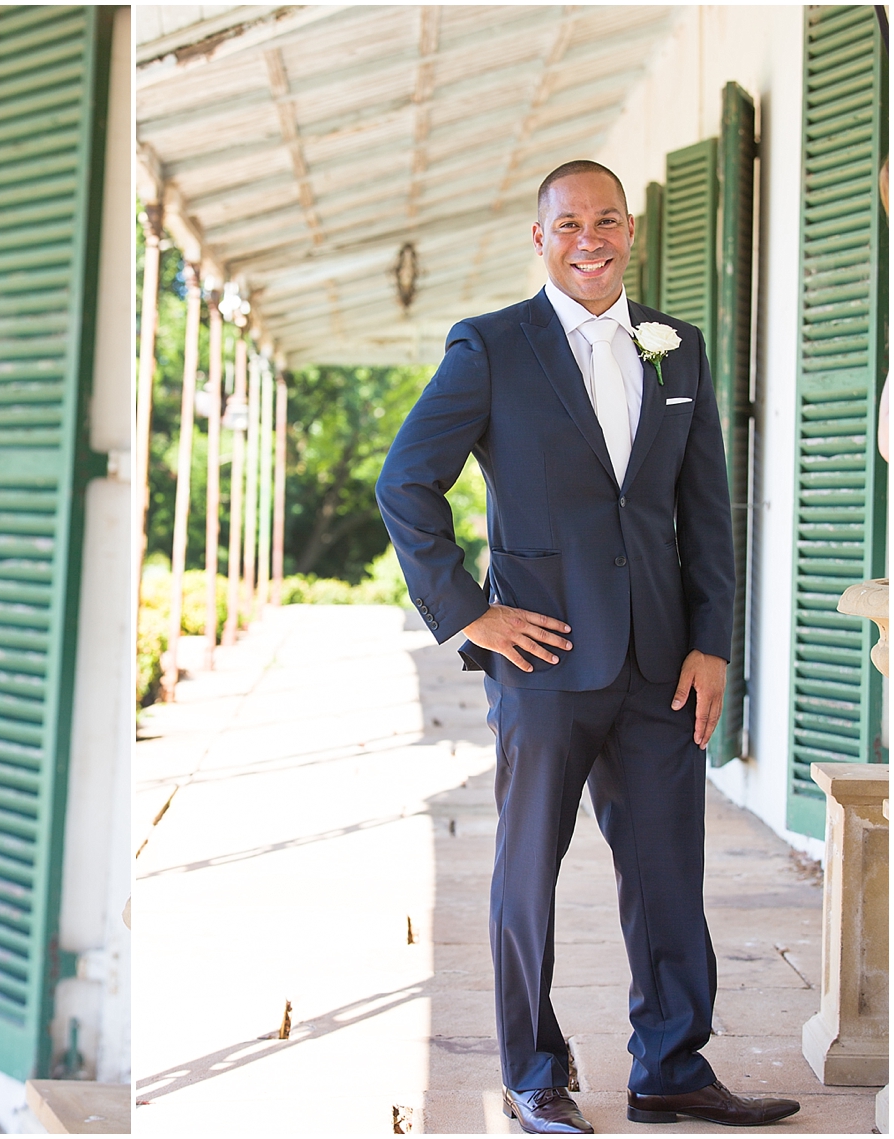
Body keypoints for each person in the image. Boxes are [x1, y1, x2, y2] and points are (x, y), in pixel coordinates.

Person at [376, 161, 800, 1134]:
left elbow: (704, 514)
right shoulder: (488, 347)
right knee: (526, 874)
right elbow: (405, 483)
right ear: (539, 239)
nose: (588, 239)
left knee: (666, 873)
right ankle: (532, 1072)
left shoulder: (676, 349)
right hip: (542, 666)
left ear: (630, 231)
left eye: (605, 220)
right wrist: (468, 613)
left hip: (659, 665)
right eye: (566, 224)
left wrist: (708, 644)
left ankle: (668, 1066)